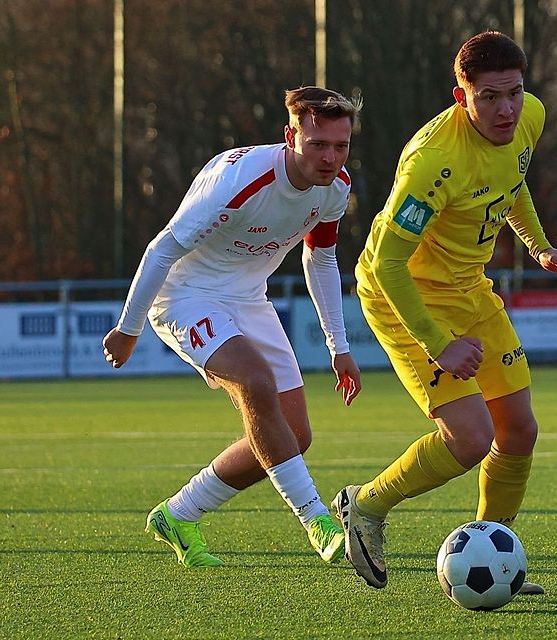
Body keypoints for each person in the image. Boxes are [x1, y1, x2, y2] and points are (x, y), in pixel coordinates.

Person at [331, 31, 557, 592]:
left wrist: (539, 246)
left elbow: (510, 183)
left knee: (518, 430)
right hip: (405, 295)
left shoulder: (529, 117)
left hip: (469, 287)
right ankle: (365, 506)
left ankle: (494, 560)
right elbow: (389, 264)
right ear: (459, 95)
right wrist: (438, 343)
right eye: (489, 97)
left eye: (514, 93)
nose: (506, 109)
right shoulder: (434, 163)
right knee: (469, 438)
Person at [102, 86, 363, 568]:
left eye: (340, 146)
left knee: (296, 433)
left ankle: (178, 515)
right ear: (291, 137)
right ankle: (316, 519)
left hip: (247, 298)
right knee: (255, 382)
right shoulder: (239, 179)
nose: (330, 158)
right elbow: (163, 249)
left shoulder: (337, 188)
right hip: (185, 296)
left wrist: (338, 346)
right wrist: (129, 327)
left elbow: (321, 258)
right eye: (317, 145)